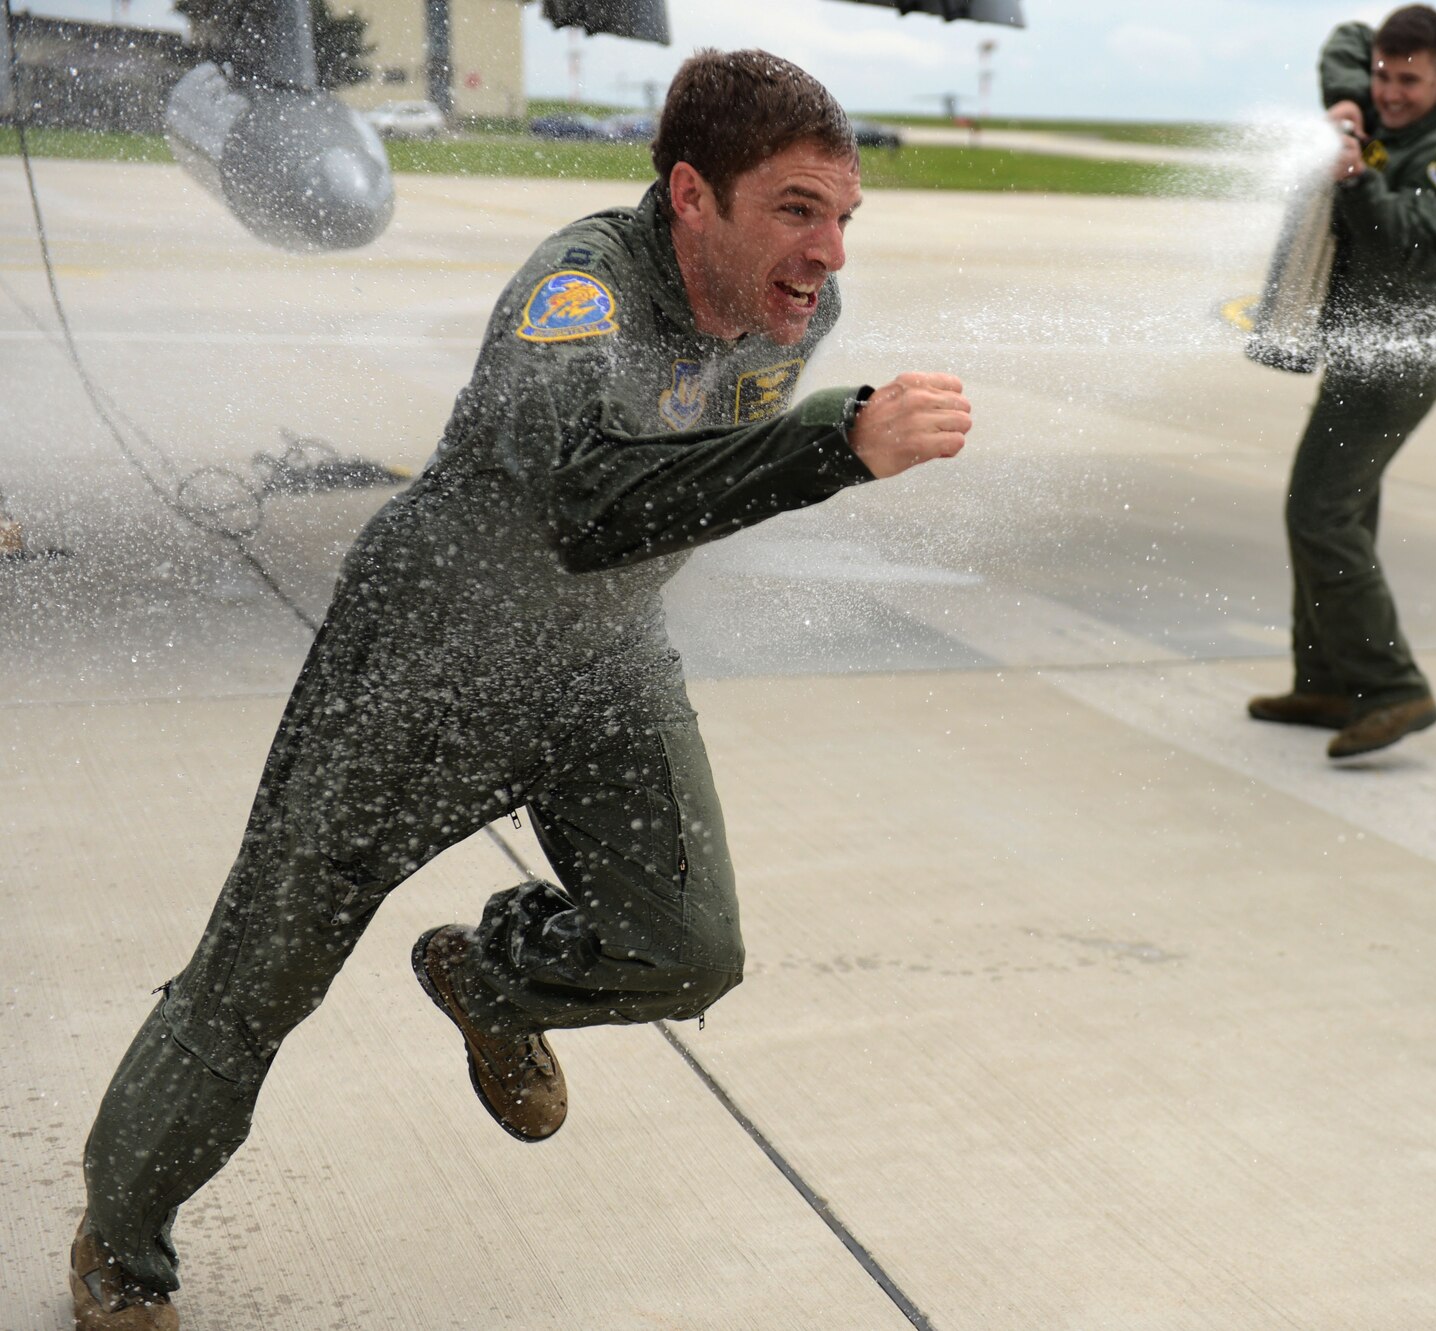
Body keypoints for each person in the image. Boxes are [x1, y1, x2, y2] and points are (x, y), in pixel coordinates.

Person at [68, 49, 972, 1330]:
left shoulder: (795, 319)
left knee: (688, 948)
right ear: (690, 197)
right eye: (794, 210)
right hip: (423, 675)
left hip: (600, 665)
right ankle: (121, 1244)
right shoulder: (579, 291)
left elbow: (703, 469)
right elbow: (580, 502)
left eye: (841, 218)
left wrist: (805, 435)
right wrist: (828, 445)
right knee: (254, 990)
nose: (827, 252)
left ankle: (488, 980)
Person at [1246, 4, 1436, 760]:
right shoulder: (1383, 102)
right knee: (1330, 513)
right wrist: (1349, 101)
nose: (1391, 93)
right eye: (1384, 76)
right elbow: (1346, 37)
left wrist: (1358, 183)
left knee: (1320, 514)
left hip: (1394, 366)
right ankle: (1325, 680)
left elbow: (1423, 250)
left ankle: (1390, 685)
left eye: (1409, 81)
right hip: (1360, 358)